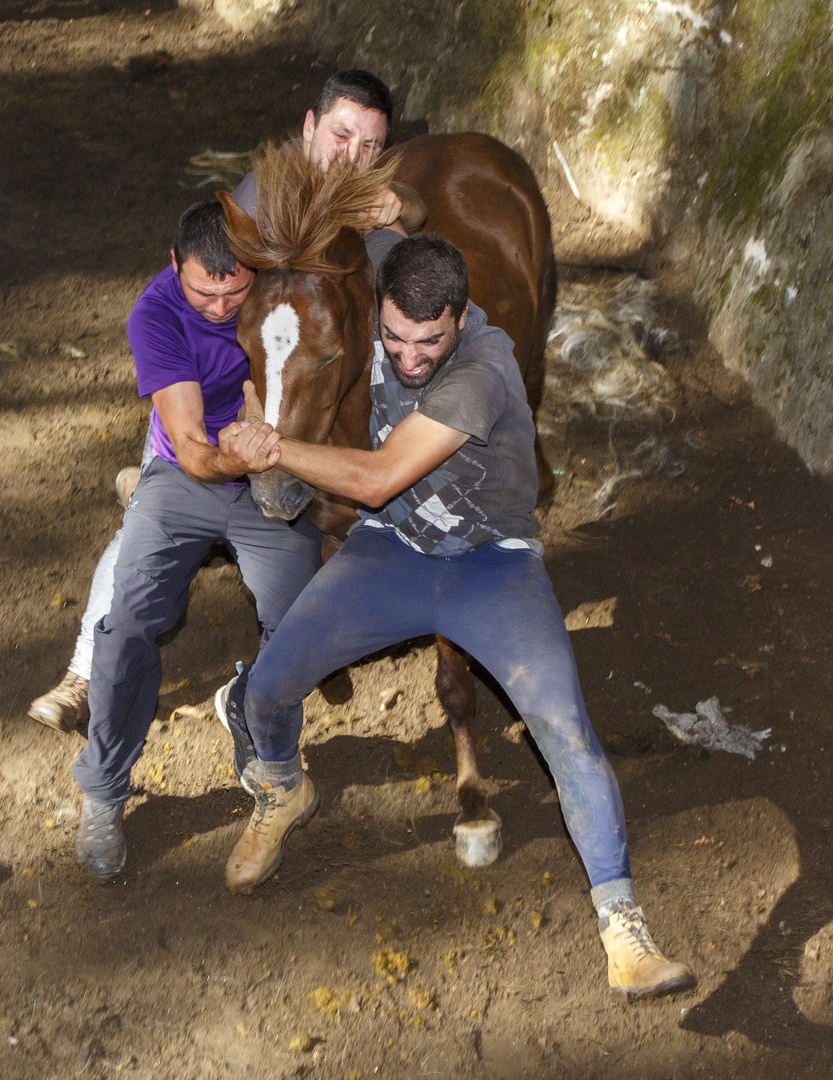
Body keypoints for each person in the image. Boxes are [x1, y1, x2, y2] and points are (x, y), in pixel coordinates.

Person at [218, 233, 696, 1003]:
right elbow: (358, 234)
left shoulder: (481, 371)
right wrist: (376, 200)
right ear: (382, 307)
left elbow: (375, 479)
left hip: (491, 568)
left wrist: (274, 447)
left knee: (565, 731)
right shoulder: (393, 293)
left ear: (462, 316)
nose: (408, 358)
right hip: (393, 554)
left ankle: (623, 927)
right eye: (395, 338)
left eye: (428, 342)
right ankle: (282, 789)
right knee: (268, 685)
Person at [28, 68, 422, 732]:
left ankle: (321, 632)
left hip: (303, 386)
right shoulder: (261, 203)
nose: (351, 157)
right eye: (341, 135)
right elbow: (212, 306)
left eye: (369, 147)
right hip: (231, 381)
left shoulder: (359, 203)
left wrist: (403, 209)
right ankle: (84, 672)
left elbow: (407, 238)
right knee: (160, 511)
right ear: (308, 128)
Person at [69, 200, 327, 880]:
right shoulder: (154, 315)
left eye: (233, 290)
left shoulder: (279, 289)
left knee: (298, 622)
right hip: (190, 472)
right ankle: (103, 790)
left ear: (258, 272)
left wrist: (277, 436)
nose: (218, 308)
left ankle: (251, 711)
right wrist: (240, 455)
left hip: (268, 470)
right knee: (125, 625)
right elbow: (188, 445)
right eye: (202, 292)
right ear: (172, 263)